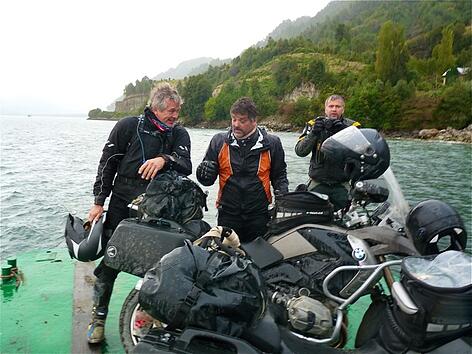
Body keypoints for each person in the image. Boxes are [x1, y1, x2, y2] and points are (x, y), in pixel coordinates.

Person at [86, 82, 191, 344]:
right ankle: (98, 318)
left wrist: (164, 159)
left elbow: (186, 165)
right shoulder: (128, 126)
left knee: (158, 269)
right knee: (111, 262)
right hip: (122, 204)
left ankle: (147, 318)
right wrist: (99, 201)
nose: (175, 116)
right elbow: (108, 163)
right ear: (156, 108)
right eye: (171, 111)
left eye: (177, 111)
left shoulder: (179, 134)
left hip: (160, 211)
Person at [196, 97, 288, 242]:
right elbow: (206, 181)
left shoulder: (272, 143)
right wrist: (203, 172)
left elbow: (279, 176)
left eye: (242, 121)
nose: (236, 125)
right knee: (226, 258)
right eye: (233, 119)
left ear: (254, 121)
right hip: (228, 213)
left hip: (259, 214)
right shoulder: (219, 141)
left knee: (258, 259)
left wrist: (282, 199)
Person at [295, 95, 360, 210]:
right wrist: (314, 133)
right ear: (325, 109)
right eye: (331, 106)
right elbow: (300, 151)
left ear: (343, 109)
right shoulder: (314, 124)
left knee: (344, 219)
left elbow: (361, 153)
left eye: (338, 106)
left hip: (342, 185)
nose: (334, 109)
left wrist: (345, 133)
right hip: (318, 183)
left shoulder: (353, 127)